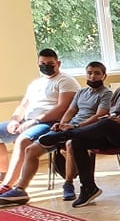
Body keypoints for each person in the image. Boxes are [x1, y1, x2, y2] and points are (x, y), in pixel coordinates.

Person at [37, 58, 120, 207]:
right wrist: (114, 119)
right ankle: (88, 188)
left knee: (106, 123)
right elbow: (112, 113)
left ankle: (66, 134)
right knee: (78, 142)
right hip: (115, 131)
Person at [0, 61, 111, 205]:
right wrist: (61, 124)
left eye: (97, 73)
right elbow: (71, 110)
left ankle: (68, 184)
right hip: (69, 127)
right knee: (31, 150)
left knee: (71, 143)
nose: (93, 76)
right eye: (89, 73)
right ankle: (20, 190)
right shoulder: (81, 92)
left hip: (86, 128)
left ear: (104, 76)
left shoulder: (106, 93)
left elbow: (100, 115)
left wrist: (76, 126)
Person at [0, 49, 80, 190]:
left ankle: (7, 185)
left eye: (50, 63)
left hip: (49, 123)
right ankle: (4, 174)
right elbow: (23, 105)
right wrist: (15, 120)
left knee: (23, 140)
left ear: (58, 64)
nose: (45, 66)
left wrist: (35, 121)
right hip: (27, 121)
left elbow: (62, 108)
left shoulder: (66, 81)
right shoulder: (35, 84)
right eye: (42, 63)